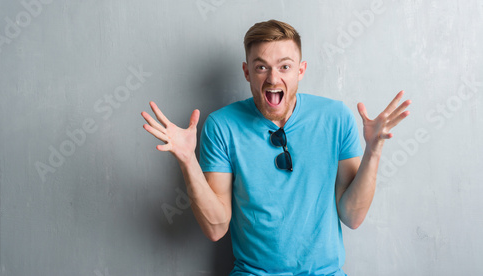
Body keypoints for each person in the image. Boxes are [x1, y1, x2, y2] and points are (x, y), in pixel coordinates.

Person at [141, 19, 411, 276]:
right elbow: (216, 227)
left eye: (284, 67)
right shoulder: (222, 126)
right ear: (247, 72)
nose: (272, 78)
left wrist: (373, 150)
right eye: (261, 67)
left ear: (300, 70)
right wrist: (188, 161)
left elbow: (352, 216)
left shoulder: (336, 118)